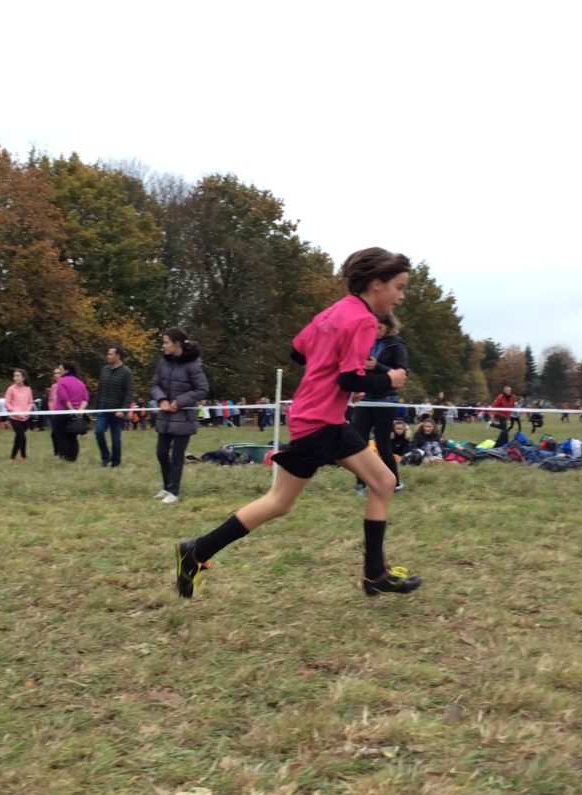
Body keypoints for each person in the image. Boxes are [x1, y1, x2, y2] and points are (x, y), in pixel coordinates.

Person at [174, 247, 420, 599]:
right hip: (320, 422)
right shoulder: (364, 320)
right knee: (279, 502)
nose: (401, 296)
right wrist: (389, 379)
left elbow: (297, 351)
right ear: (377, 283)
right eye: (399, 287)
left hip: (320, 418)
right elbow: (348, 380)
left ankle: (375, 574)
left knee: (383, 481)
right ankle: (196, 552)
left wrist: (333, 359)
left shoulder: (332, 312)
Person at [151, 328, 209, 504]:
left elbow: (202, 389)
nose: (163, 346)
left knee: (177, 456)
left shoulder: (193, 364)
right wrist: (161, 399)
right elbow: (155, 384)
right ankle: (167, 486)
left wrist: (179, 402)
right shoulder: (163, 362)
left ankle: (174, 491)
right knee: (161, 453)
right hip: (165, 417)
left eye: (166, 342)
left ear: (176, 344)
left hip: (184, 418)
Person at [352, 312, 408, 494]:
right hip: (365, 397)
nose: (375, 331)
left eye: (379, 328)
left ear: (388, 326)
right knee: (359, 441)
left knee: (383, 443)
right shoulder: (365, 342)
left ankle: (394, 482)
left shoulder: (396, 344)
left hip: (386, 399)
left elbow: (402, 373)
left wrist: (377, 366)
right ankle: (361, 483)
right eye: (372, 328)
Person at [95, 345, 135, 468]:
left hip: (117, 411)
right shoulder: (104, 370)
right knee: (99, 432)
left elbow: (129, 393)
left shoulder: (126, 372)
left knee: (115, 439)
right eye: (108, 354)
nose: (108, 356)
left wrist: (123, 410)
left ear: (118, 356)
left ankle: (115, 462)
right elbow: (100, 389)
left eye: (110, 354)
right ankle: (105, 457)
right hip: (103, 408)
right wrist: (96, 406)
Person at [51, 362, 89, 463]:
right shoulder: (80, 383)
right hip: (76, 415)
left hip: (62, 413)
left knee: (62, 436)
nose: (59, 371)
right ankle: (73, 457)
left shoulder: (61, 382)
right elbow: (86, 399)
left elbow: (64, 399)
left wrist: (71, 409)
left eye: (60, 369)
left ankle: (65, 457)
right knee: (73, 437)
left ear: (66, 370)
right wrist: (79, 410)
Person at [5, 368, 33, 462]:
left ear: (23, 378)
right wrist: (15, 412)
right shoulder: (11, 389)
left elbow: (30, 402)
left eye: (17, 376)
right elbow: (7, 403)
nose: (15, 377)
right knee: (22, 437)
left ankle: (12, 457)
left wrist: (26, 412)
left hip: (25, 417)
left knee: (18, 438)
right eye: (14, 376)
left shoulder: (28, 389)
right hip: (14, 417)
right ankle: (24, 456)